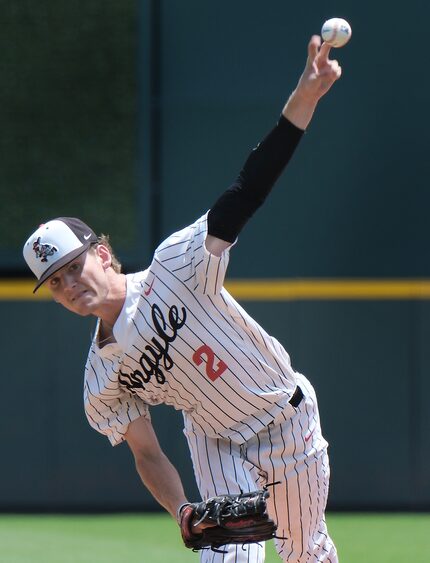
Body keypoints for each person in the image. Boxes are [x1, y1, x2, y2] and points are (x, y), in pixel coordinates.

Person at [23, 35, 341, 562]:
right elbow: (146, 453)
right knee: (227, 558)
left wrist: (303, 98)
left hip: (286, 423)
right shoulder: (100, 380)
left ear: (102, 254)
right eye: (55, 281)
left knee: (304, 553)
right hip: (215, 442)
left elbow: (248, 188)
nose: (68, 284)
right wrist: (182, 511)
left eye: (72, 266)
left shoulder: (177, 264)